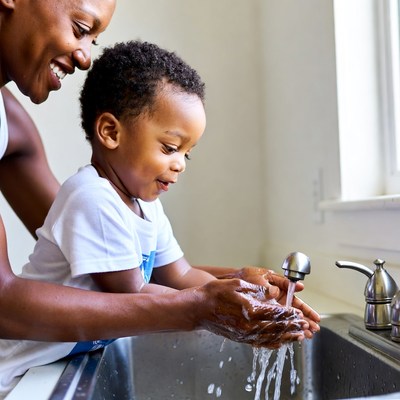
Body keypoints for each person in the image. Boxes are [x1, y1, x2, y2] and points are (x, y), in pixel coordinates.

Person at [0, 0, 319, 370]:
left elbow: (160, 271)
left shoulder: (14, 126)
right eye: (80, 27)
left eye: (94, 39)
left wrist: (241, 284)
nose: (85, 58)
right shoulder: (91, 196)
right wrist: (201, 306)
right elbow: (6, 303)